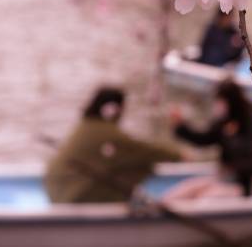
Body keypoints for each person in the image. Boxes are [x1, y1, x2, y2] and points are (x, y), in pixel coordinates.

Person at [44, 87, 179, 203]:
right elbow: (143, 150)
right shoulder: (105, 132)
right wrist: (178, 155)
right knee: (141, 166)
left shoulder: (86, 125)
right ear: (116, 109)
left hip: (55, 190)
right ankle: (123, 205)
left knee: (124, 165)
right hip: (69, 197)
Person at [165, 79, 252, 200]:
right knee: (178, 195)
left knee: (206, 199)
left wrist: (232, 164)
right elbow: (204, 138)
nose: (217, 105)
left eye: (220, 101)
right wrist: (181, 127)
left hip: (246, 184)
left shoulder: (251, 122)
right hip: (224, 179)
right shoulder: (225, 120)